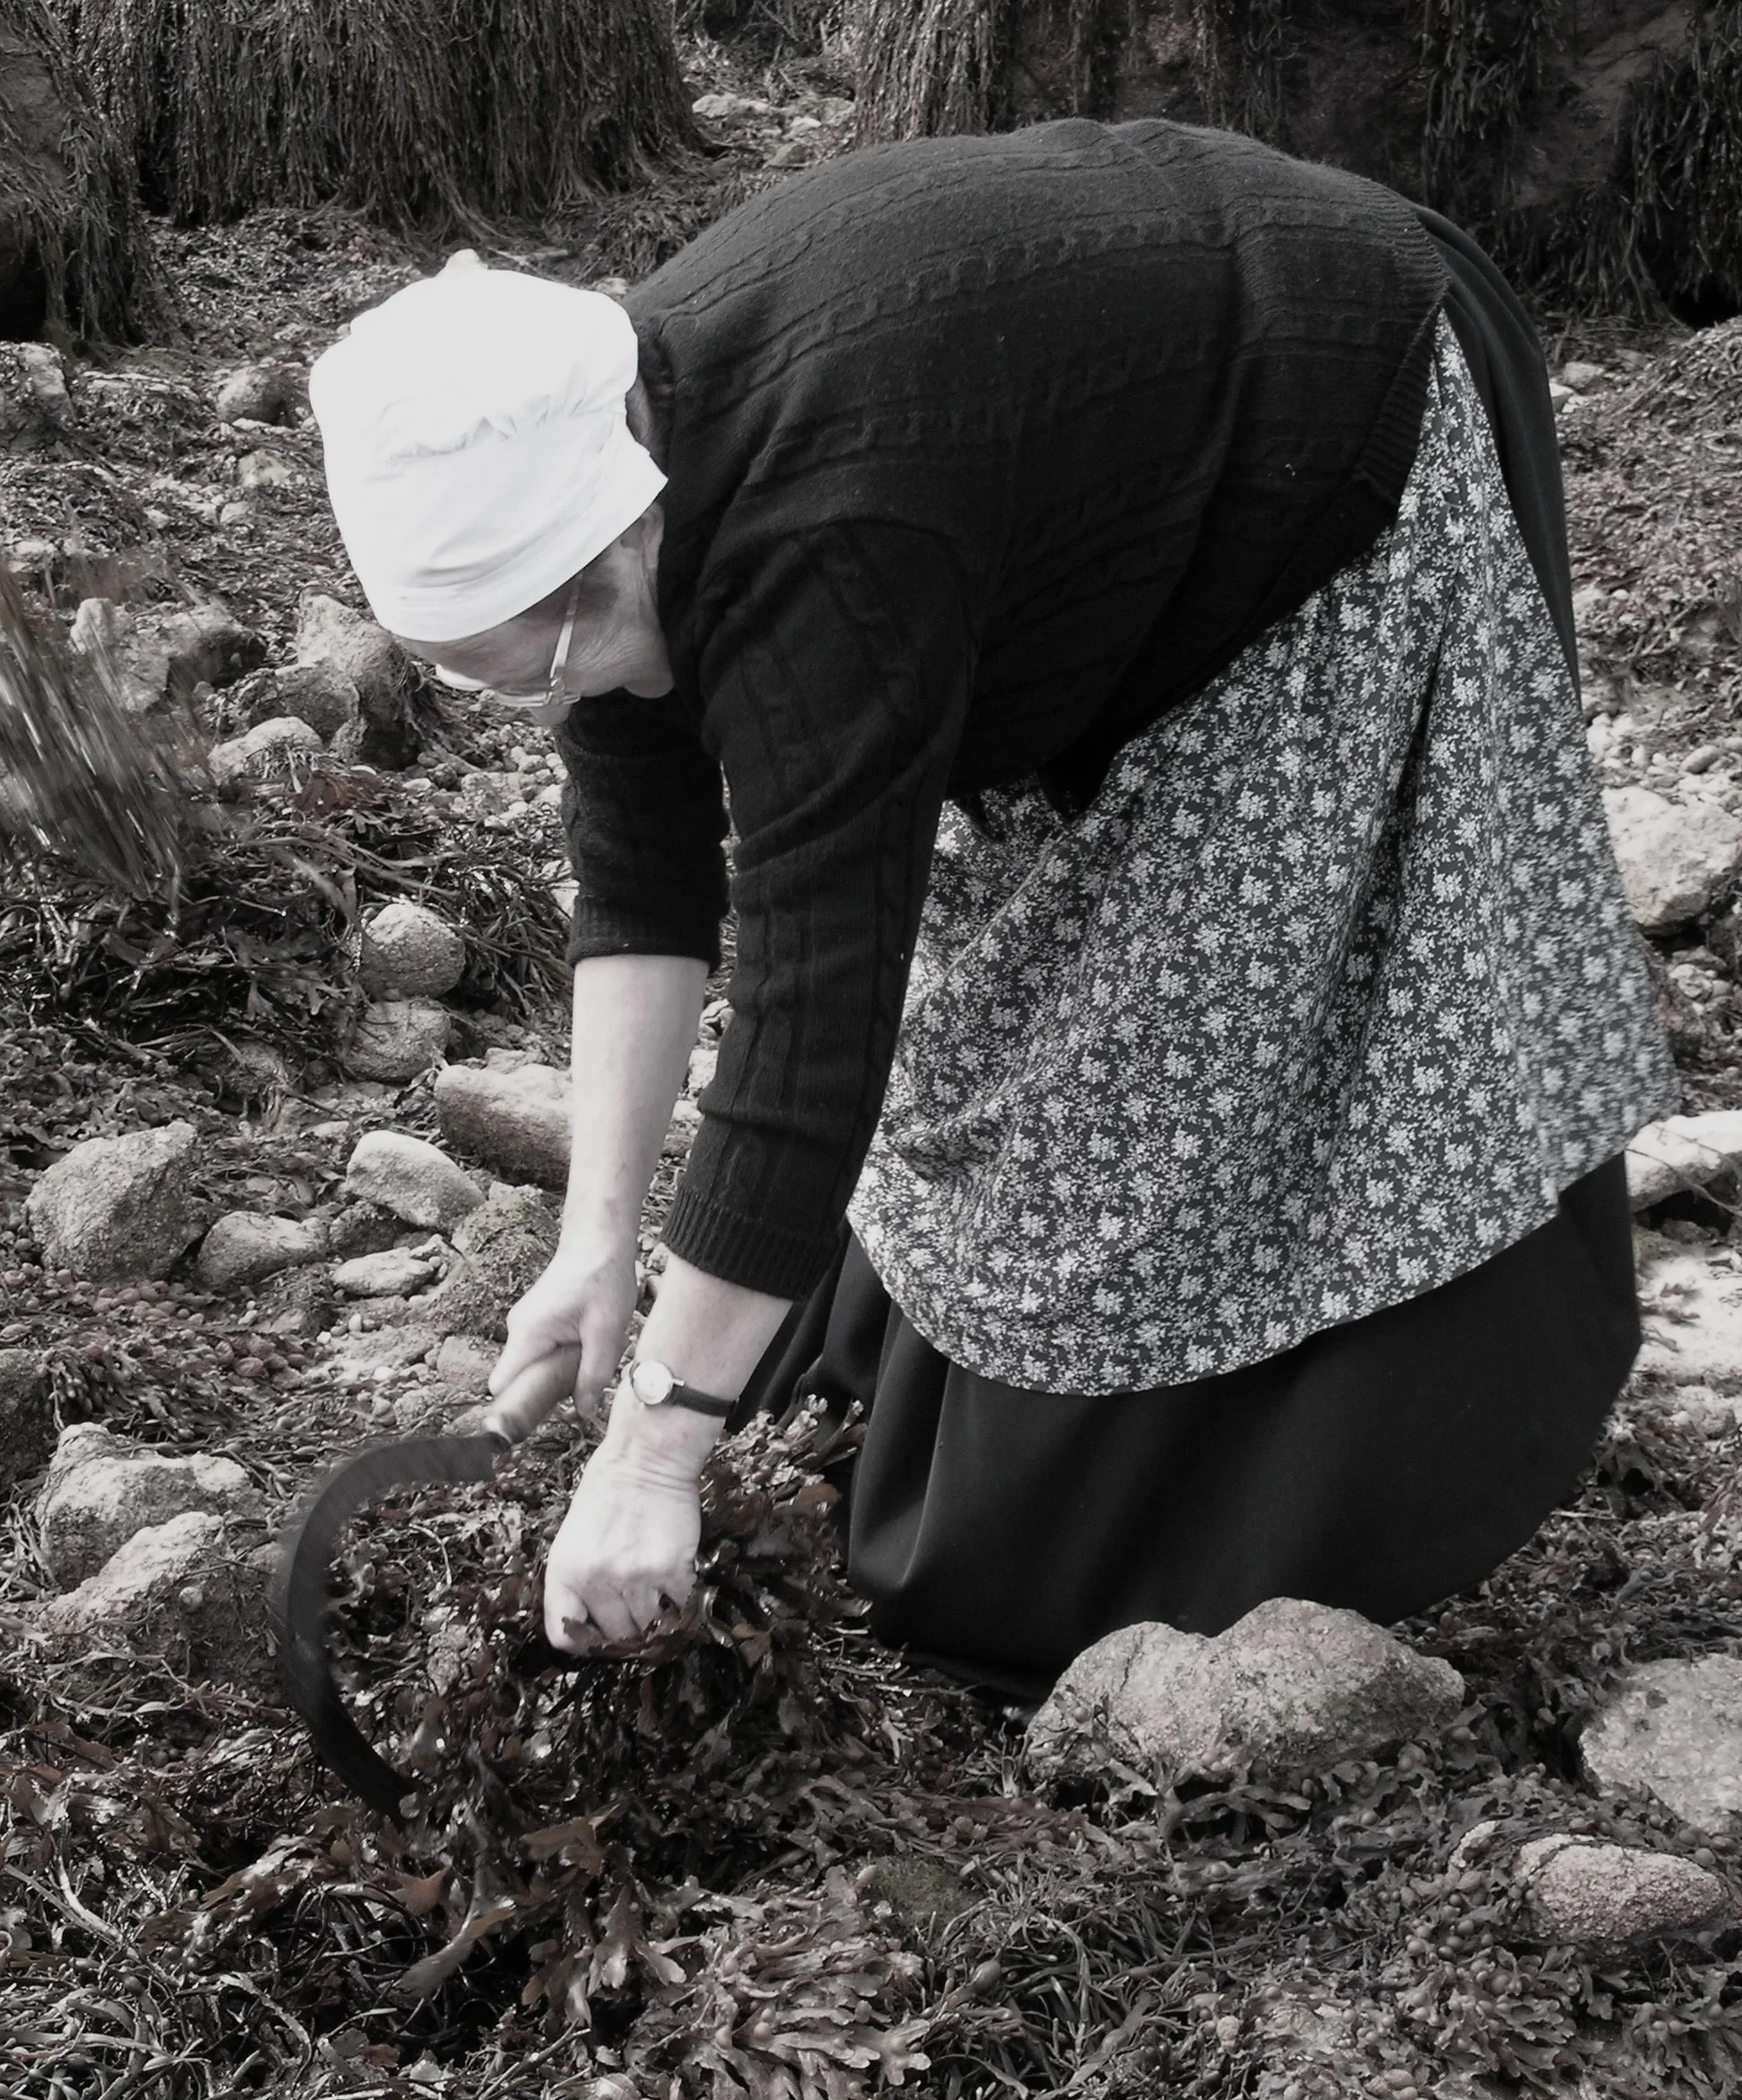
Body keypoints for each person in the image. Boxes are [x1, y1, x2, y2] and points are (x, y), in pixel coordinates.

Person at [310, 120, 1677, 1700]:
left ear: (612, 535)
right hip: (1072, 451)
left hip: (1334, 418)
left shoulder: (826, 531)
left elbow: (819, 1014)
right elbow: (641, 869)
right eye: (502, 690)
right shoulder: (608, 486)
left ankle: (1226, 1534)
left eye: (550, 661)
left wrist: (654, 1455)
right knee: (1009, 1032)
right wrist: (594, 1242)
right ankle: (911, 1411)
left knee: (1170, 1069)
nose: (556, 701)